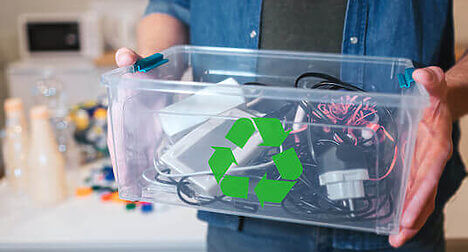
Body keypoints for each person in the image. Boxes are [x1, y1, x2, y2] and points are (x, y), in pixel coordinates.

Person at [112, 1, 468, 251]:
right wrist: (151, 81)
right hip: (240, 212)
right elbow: (170, 7)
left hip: (392, 203)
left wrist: (440, 99)